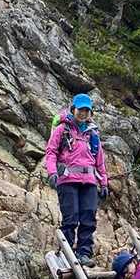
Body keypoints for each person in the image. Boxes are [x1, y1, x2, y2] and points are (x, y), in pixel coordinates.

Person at [44, 93, 108, 264]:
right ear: (73, 109)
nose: (83, 113)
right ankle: (67, 254)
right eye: (81, 109)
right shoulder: (62, 129)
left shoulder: (93, 134)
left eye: (87, 110)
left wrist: (104, 183)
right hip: (67, 180)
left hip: (89, 181)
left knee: (89, 218)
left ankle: (84, 253)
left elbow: (99, 161)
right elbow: (51, 152)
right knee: (70, 218)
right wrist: (52, 172)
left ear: (90, 113)